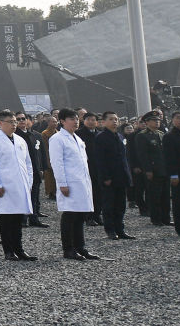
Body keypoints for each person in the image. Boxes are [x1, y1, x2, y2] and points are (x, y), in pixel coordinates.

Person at [0, 109, 36, 261]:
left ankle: (19, 249)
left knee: (18, 220)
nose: (14, 125)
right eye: (10, 122)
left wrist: (29, 182)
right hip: (5, 186)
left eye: (15, 122)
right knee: (7, 219)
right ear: (1, 123)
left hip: (21, 185)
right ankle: (8, 251)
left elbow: (28, 163)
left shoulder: (20, 140)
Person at [50, 108, 99, 261]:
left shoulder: (77, 138)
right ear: (62, 121)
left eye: (77, 118)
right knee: (70, 215)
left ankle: (80, 247)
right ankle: (68, 249)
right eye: (71, 118)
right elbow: (56, 163)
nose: (75, 121)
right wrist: (62, 183)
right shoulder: (58, 139)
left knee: (80, 215)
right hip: (69, 182)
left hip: (81, 182)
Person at [94, 110, 134, 240]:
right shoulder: (101, 137)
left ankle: (120, 229)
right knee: (109, 205)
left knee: (120, 205)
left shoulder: (120, 136)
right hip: (109, 178)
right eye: (111, 119)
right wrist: (105, 177)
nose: (114, 121)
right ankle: (110, 230)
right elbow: (100, 160)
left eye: (116, 119)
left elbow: (124, 158)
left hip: (121, 176)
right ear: (104, 122)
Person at [137, 110, 170, 226]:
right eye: (154, 120)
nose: (157, 122)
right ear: (147, 122)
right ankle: (156, 219)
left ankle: (166, 218)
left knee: (165, 195)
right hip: (153, 170)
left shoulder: (161, 134)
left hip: (164, 169)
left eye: (158, 120)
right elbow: (143, 155)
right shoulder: (142, 136)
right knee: (154, 196)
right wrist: (148, 170)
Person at [15, 113, 48, 228]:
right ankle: (22, 218)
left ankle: (34, 218)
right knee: (23, 195)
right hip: (21, 170)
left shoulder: (35, 135)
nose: (21, 121)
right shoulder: (14, 136)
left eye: (23, 119)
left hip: (35, 170)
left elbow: (41, 152)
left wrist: (42, 167)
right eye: (18, 119)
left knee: (34, 194)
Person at [76, 112, 103, 225]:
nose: (91, 122)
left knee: (99, 193)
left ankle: (97, 214)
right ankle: (88, 216)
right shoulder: (78, 134)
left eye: (93, 120)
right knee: (88, 193)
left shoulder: (100, 134)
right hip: (86, 167)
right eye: (89, 120)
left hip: (99, 167)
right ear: (84, 121)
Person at [163, 110, 180, 237]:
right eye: (178, 118)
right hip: (179, 175)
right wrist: (173, 174)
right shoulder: (169, 136)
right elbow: (169, 158)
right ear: (173, 120)